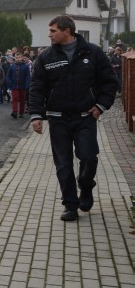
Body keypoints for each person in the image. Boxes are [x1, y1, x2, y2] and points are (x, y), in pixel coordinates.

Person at [29, 15, 118, 222]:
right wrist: (36, 115)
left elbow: (110, 82)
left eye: (53, 31)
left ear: (66, 31)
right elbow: (37, 87)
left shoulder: (92, 52)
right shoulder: (45, 57)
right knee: (63, 163)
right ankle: (70, 205)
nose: (49, 34)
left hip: (85, 117)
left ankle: (85, 186)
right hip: (58, 119)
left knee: (88, 157)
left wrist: (101, 106)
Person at [6, 52, 30, 118]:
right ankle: (15, 112)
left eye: (19, 57)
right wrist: (8, 83)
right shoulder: (12, 66)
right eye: (16, 58)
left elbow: (28, 76)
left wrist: (27, 84)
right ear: (15, 58)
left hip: (23, 86)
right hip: (14, 86)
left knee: (22, 100)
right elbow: (8, 75)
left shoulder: (25, 66)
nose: (18, 59)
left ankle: (21, 112)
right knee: (15, 99)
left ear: (21, 58)